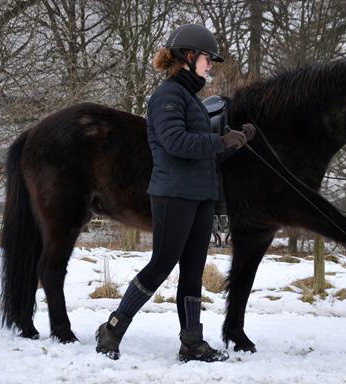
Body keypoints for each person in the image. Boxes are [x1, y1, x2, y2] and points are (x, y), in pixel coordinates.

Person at [95, 24, 256, 362]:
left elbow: (204, 152)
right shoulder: (167, 96)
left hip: (199, 195)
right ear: (188, 57)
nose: (211, 64)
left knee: (192, 270)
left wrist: (237, 142)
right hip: (173, 195)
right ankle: (113, 327)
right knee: (161, 265)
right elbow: (175, 143)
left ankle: (192, 343)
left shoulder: (191, 100)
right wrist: (218, 140)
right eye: (207, 58)